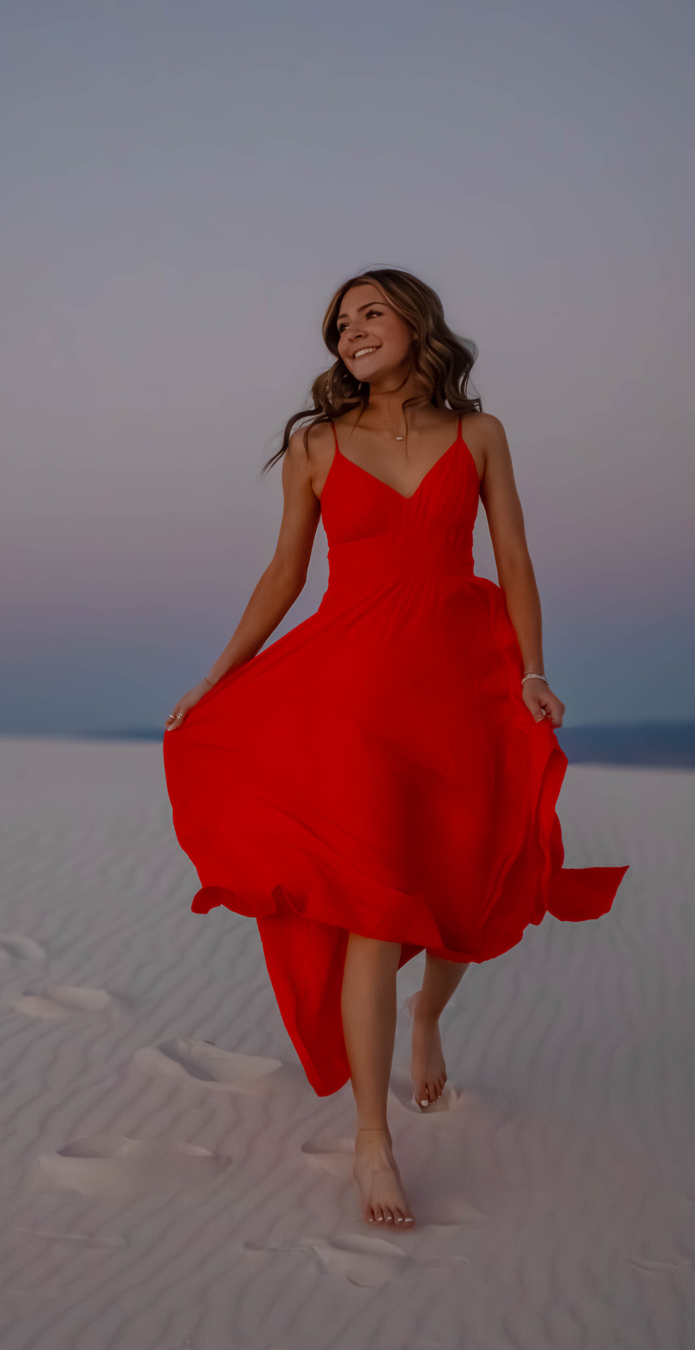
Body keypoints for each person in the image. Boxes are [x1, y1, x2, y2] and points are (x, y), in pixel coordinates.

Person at [163, 267, 628, 1230]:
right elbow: (285, 573)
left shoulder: (481, 435)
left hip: (460, 684)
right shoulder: (317, 444)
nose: (351, 331)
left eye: (370, 312)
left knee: (464, 879)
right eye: (340, 323)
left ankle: (427, 1015)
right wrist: (216, 675)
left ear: (417, 322)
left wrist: (533, 670)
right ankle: (372, 1139)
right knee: (373, 907)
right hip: (354, 699)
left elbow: (515, 559)